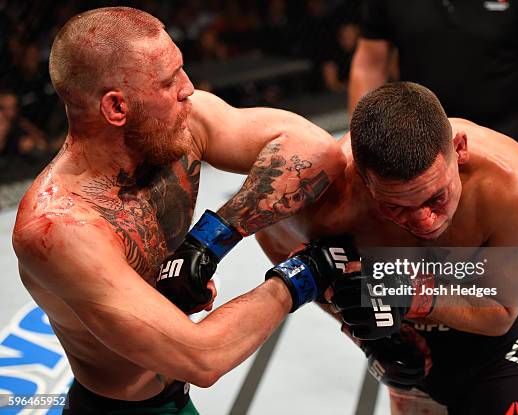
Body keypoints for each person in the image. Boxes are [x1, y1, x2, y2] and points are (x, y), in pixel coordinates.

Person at [12, 7, 346, 414]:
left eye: (181, 69)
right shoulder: (60, 228)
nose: (189, 88)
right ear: (117, 108)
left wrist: (210, 240)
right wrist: (305, 273)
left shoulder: (178, 125)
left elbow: (317, 150)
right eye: (169, 81)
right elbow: (203, 358)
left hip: (179, 400)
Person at [257, 82, 518, 414]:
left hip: (494, 348)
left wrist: (407, 292)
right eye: (396, 208)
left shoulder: (509, 184)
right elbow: (272, 238)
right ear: (365, 183)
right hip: (408, 351)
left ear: (459, 149)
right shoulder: (331, 199)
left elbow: (501, 314)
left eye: (437, 197)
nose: (425, 222)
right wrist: (367, 338)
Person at [348, 0, 518, 192]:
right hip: (419, 138)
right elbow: (369, 64)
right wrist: (356, 143)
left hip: (504, 132)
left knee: (503, 232)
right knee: (421, 228)